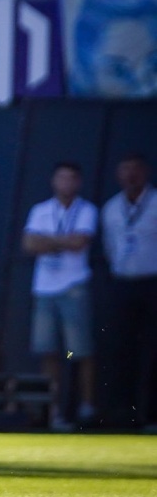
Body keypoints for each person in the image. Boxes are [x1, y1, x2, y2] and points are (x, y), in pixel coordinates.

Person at [21, 162, 98, 431]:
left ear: (78, 182)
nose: (66, 183)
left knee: (80, 350)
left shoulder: (87, 210)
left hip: (74, 286)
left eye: (71, 178)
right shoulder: (40, 210)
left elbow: (80, 243)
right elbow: (29, 244)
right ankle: (52, 411)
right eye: (61, 178)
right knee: (48, 351)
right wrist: (64, 241)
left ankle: (86, 406)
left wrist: (48, 241)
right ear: (54, 181)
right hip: (44, 289)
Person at [100, 153, 157, 429]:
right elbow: (110, 247)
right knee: (121, 349)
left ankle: (151, 414)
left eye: (135, 169)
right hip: (122, 283)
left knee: (153, 350)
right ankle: (122, 414)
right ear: (118, 175)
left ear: (145, 173)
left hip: (153, 283)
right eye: (126, 170)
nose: (131, 175)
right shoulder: (111, 208)